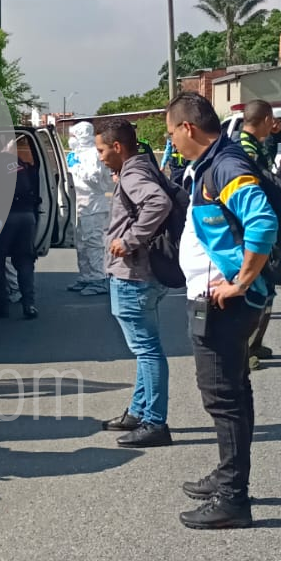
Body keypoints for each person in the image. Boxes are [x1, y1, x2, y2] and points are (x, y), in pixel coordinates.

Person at [166, 92, 278, 530]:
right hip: (214, 299)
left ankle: (233, 497)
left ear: (187, 128)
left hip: (223, 304)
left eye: (171, 131)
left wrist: (242, 281)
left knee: (223, 397)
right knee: (233, 391)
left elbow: (262, 221)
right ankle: (228, 476)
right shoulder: (213, 162)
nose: (170, 140)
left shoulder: (226, 165)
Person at [94, 121, 174, 448]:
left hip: (133, 274)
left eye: (101, 150)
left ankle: (154, 422)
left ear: (117, 147)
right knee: (144, 349)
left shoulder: (132, 174)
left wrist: (129, 240)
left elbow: (158, 203)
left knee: (147, 350)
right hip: (141, 273)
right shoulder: (140, 168)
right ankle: (139, 411)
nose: (99, 157)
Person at [0, 135, 40, 320]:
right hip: (27, 216)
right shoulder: (19, 162)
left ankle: (0, 307)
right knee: (24, 261)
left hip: (4, 218)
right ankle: (29, 305)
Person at [237, 100, 279, 369]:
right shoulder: (244, 149)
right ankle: (243, 351)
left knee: (268, 291)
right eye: (271, 120)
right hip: (248, 232)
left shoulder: (256, 145)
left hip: (260, 230)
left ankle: (254, 343)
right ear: (265, 119)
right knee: (254, 291)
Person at [67, 122, 114, 296]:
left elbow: (94, 178)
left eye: (74, 135)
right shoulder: (76, 154)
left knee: (94, 243)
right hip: (80, 205)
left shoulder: (93, 154)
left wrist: (75, 168)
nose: (71, 139)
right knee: (81, 244)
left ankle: (98, 279)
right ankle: (86, 277)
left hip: (93, 205)